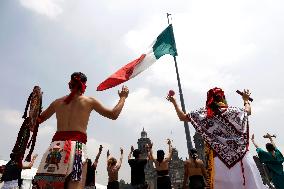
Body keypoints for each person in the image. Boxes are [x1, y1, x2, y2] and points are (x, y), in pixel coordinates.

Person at [33, 72, 129, 189]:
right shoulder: (89, 101)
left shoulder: (57, 102)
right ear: (84, 86)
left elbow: (35, 122)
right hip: (76, 149)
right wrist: (123, 97)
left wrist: (34, 109)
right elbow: (113, 114)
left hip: (55, 148)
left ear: (70, 85)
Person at [167, 87, 267, 189]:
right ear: (223, 98)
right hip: (242, 159)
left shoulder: (205, 114)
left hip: (220, 161)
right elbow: (248, 111)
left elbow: (182, 117)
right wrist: (245, 100)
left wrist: (174, 101)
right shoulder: (235, 111)